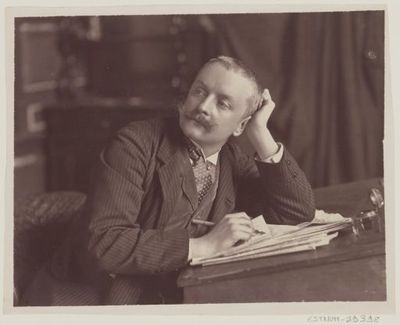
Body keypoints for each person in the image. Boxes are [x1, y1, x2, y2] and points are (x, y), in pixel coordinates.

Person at [22, 56, 315, 306]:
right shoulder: (134, 144)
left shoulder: (231, 159)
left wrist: (261, 133)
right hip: (85, 302)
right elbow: (105, 242)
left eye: (223, 103)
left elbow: (296, 213)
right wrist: (204, 246)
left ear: (241, 125)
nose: (203, 106)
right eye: (199, 92)